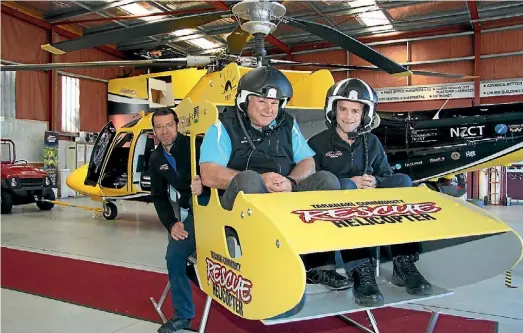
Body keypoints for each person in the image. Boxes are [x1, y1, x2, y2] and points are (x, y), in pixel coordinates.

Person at [198, 66, 351, 291]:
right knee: (250, 180)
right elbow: (209, 174)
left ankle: (320, 267)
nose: (270, 110)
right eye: (262, 101)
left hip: (283, 190)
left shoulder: (287, 123)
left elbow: (307, 161)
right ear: (244, 100)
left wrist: (291, 181)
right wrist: (262, 180)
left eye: (275, 103)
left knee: (327, 180)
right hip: (239, 201)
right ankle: (261, 265)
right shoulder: (222, 125)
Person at [307, 78, 433, 307]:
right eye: (343, 109)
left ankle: (403, 262)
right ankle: (359, 269)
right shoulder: (317, 143)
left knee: (403, 180)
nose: (348, 116)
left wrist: (376, 180)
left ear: (365, 115)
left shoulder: (372, 142)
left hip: (372, 203)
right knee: (344, 189)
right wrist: (349, 182)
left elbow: (385, 173)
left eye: (355, 111)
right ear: (333, 110)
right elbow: (314, 183)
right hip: (334, 213)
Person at [149, 107, 205, 332]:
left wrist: (206, 183)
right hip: (193, 213)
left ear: (178, 125)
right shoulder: (156, 159)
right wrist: (172, 224)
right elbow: (158, 196)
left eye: (169, 125)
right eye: (159, 127)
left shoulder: (196, 146)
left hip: (218, 206)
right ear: (154, 131)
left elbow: (224, 171)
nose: (165, 131)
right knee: (174, 254)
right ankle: (183, 315)